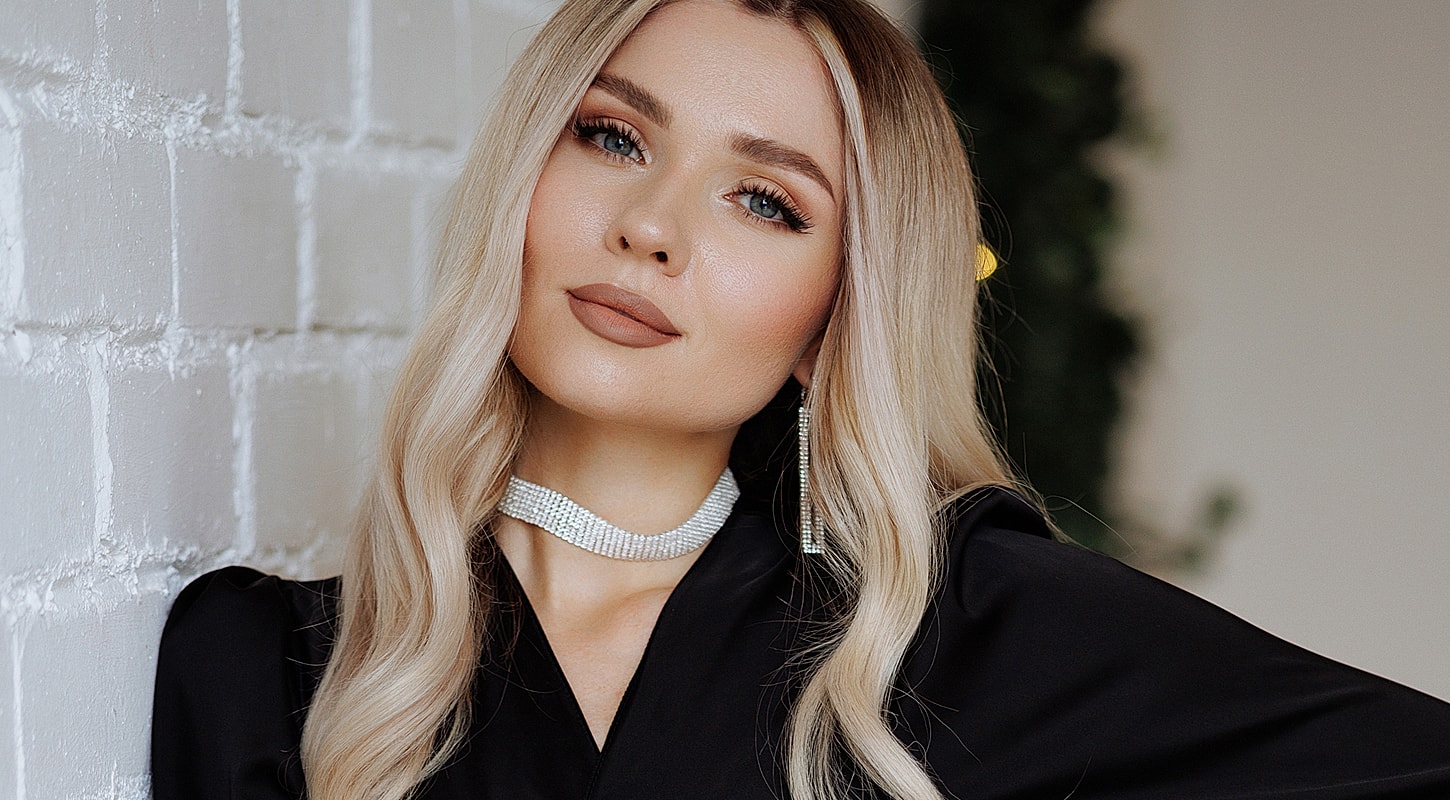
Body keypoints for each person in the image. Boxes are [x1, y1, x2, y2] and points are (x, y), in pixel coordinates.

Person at [150, 0, 1450, 798]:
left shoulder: (953, 632)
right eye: (612, 135)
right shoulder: (273, 668)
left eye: (764, 201)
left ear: (836, 315)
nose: (651, 227)